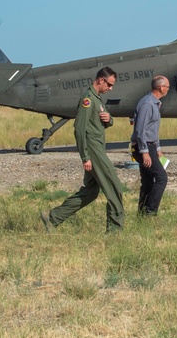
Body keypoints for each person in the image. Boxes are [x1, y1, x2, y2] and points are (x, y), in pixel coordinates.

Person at [40, 67, 126, 233]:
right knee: (114, 186)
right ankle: (115, 231)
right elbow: (79, 129)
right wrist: (85, 157)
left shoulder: (97, 99)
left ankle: (52, 218)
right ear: (101, 80)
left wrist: (109, 119)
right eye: (109, 84)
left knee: (91, 192)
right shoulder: (87, 99)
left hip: (98, 147)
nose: (111, 88)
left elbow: (102, 119)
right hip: (93, 149)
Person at [131, 75, 170, 216]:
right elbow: (140, 129)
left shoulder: (154, 103)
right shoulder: (148, 104)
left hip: (149, 146)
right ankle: (150, 212)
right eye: (167, 87)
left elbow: (152, 129)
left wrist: (158, 149)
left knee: (147, 181)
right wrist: (145, 152)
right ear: (161, 87)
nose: (168, 90)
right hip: (144, 147)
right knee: (161, 178)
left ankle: (141, 213)